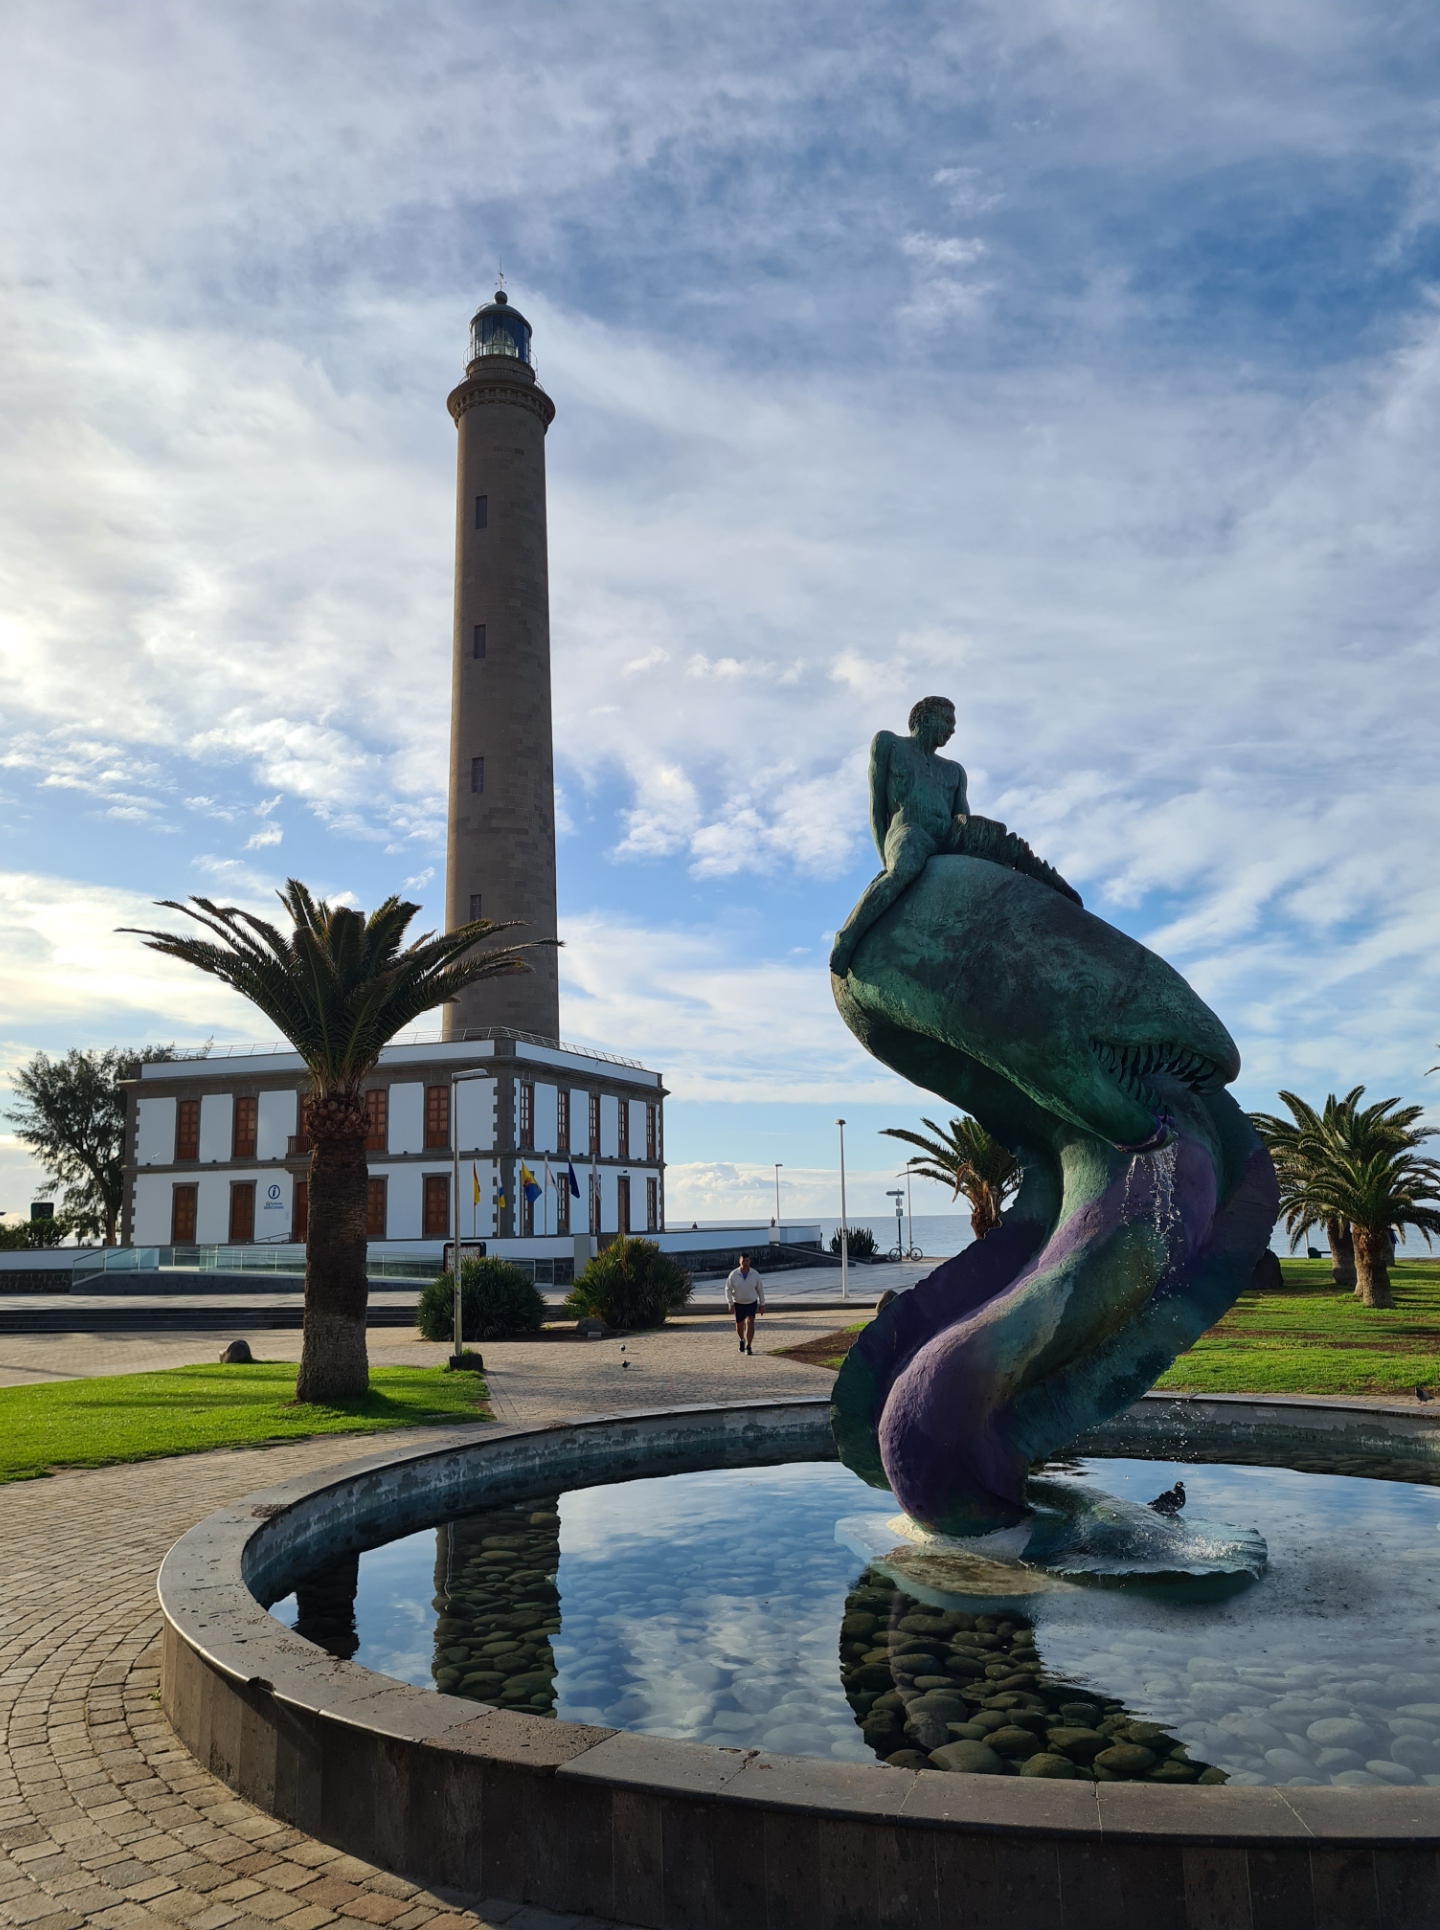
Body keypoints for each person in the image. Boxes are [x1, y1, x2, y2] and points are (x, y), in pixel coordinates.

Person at [725, 1253, 765, 1355]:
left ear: (749, 1261)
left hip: (751, 1302)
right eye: (743, 1261)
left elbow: (760, 1289)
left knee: (750, 1322)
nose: (745, 1263)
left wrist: (762, 1304)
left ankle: (749, 1346)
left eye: (747, 1261)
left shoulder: (755, 1274)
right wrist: (730, 1303)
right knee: (739, 1324)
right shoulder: (734, 1274)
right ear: (740, 1261)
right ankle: (741, 1340)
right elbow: (728, 1289)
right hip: (738, 1303)